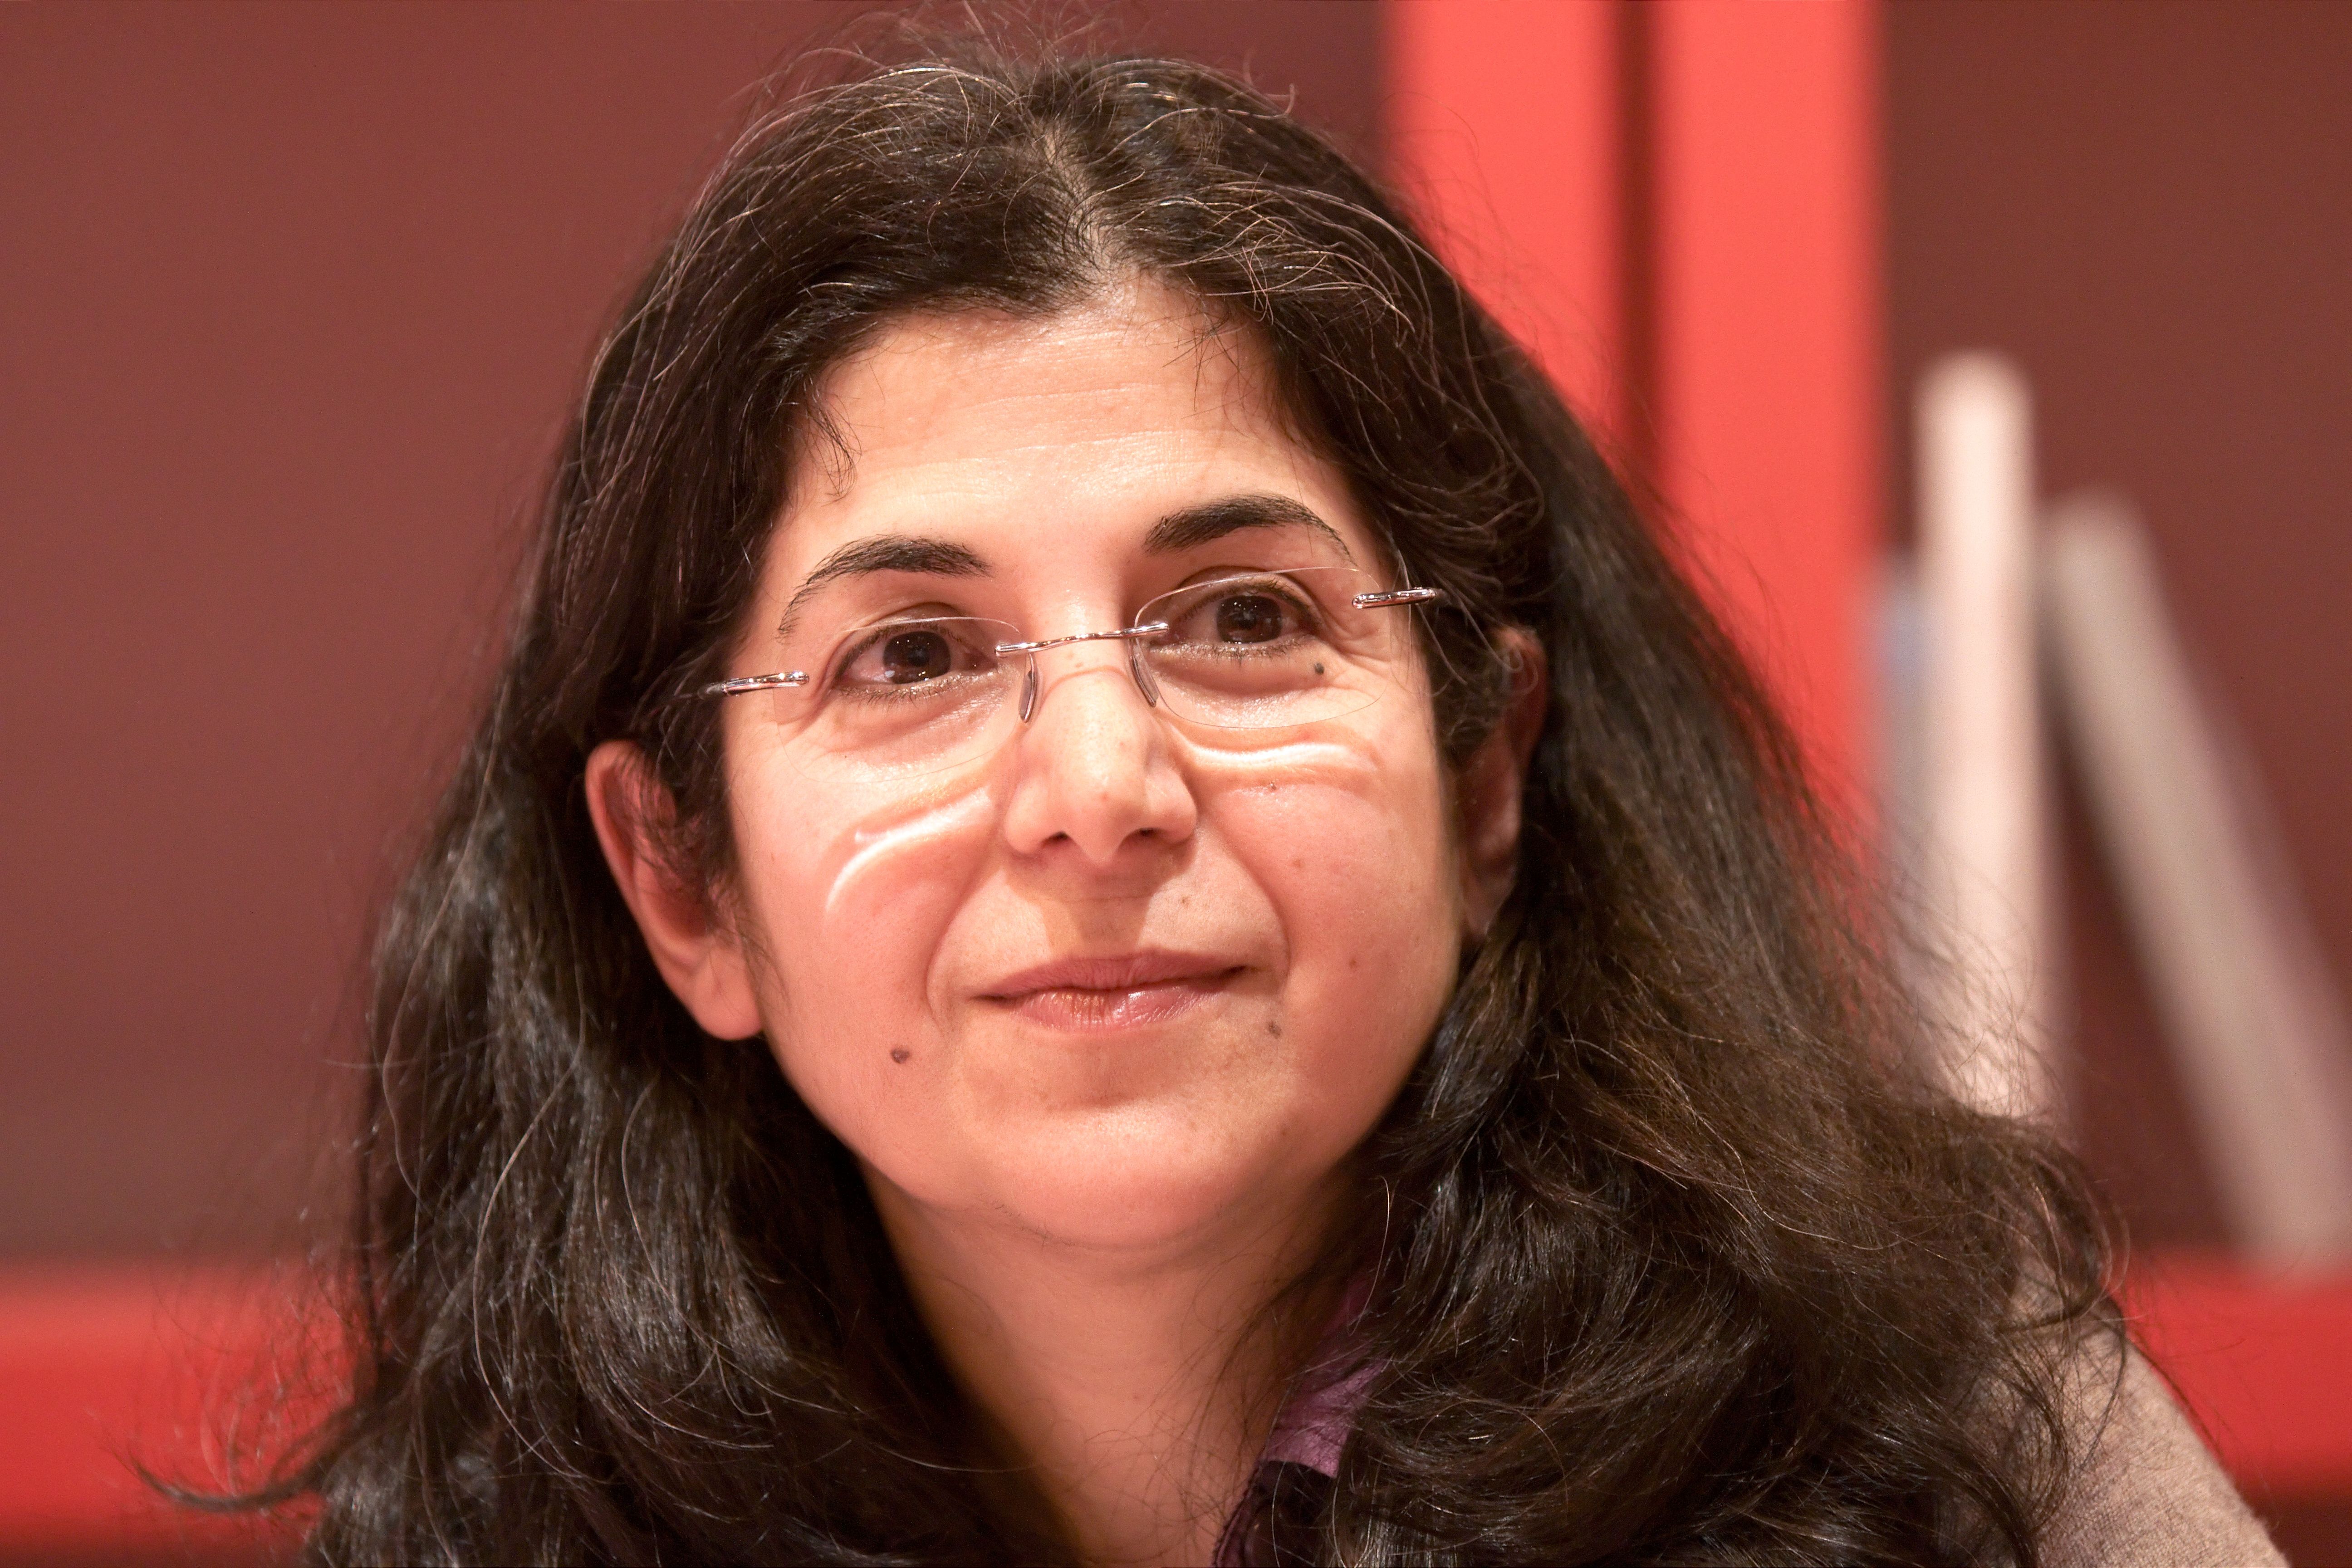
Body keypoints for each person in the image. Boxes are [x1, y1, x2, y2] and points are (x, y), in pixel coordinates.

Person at [247, 33, 2279, 1568]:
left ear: (1485, 780)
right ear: (685, 887)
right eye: (914, 657)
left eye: (1242, 618)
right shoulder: (498, 1532)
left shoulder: (1955, 1443)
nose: (1100, 791)